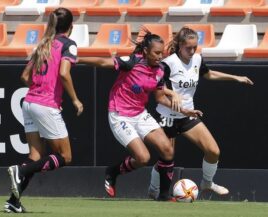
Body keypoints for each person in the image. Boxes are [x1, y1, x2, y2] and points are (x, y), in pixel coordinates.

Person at [78, 31, 202, 201]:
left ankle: (164, 196)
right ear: (145, 51)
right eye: (156, 53)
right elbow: (102, 61)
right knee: (143, 158)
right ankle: (113, 172)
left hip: (139, 113)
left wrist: (185, 111)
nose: (160, 57)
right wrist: (76, 59)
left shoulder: (159, 71)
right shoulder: (132, 62)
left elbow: (159, 98)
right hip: (119, 114)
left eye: (162, 53)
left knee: (167, 150)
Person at [148, 27, 254, 199]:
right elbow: (159, 92)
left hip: (188, 115)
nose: (191, 51)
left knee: (213, 151)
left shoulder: (197, 59)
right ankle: (154, 189)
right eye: (188, 47)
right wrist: (172, 93)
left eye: (194, 47)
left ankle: (207, 182)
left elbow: (209, 74)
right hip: (167, 116)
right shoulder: (168, 63)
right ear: (179, 46)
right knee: (166, 157)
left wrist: (236, 77)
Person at [5, 8, 83, 213]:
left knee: (36, 156)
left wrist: (39, 86)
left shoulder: (43, 44)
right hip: (45, 104)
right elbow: (65, 74)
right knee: (65, 156)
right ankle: (20, 171)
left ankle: (13, 201)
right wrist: (75, 100)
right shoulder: (69, 45)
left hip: (29, 102)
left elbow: (24, 76)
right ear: (71, 27)